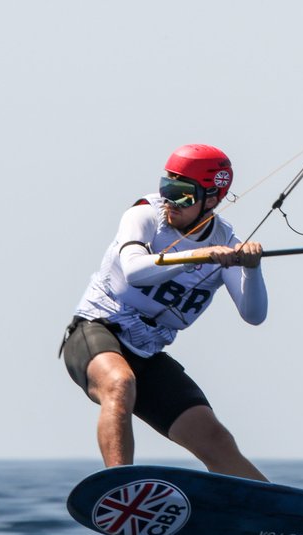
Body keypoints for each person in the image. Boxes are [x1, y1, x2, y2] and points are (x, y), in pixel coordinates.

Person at [61, 143, 269, 481]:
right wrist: (198, 257)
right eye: (166, 188)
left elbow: (254, 313)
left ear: (212, 199)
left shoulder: (226, 241)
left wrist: (252, 268)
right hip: (97, 329)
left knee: (215, 438)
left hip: (148, 351)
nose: (170, 201)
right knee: (120, 383)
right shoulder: (144, 216)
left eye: (182, 194)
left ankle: (274, 515)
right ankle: (119, 487)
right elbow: (134, 271)